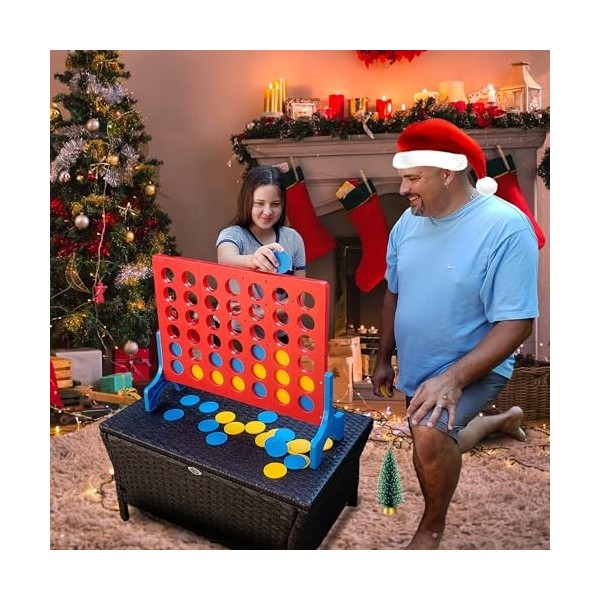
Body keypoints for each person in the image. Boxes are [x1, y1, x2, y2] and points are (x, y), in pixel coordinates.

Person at [371, 118, 539, 550]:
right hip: (418, 362)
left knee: (427, 436)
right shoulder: (407, 224)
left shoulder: (506, 227)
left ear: (447, 173)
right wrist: (383, 356)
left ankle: (431, 528)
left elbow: (518, 322)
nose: (403, 188)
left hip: (476, 363)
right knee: (435, 434)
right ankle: (499, 422)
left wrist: (453, 378)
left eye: (412, 177)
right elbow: (393, 294)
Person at [216, 165, 306, 276]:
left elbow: (300, 288)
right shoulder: (232, 235)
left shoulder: (293, 239)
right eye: (259, 203)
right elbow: (225, 260)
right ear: (247, 202)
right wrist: (252, 260)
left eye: (275, 204)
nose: (267, 212)